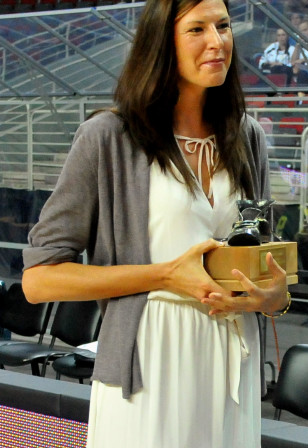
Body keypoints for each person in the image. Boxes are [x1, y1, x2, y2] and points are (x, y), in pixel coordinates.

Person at [21, 0, 291, 445]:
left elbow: (261, 256)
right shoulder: (109, 137)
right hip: (147, 362)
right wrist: (165, 275)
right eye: (197, 29)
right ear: (161, 42)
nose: (217, 41)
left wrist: (275, 298)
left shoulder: (247, 136)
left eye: (223, 26)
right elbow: (39, 280)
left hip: (234, 361)